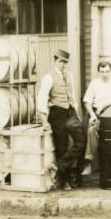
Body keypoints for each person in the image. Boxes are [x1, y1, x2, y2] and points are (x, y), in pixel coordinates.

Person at [36, 49, 86, 190]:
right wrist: (44, 120)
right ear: (55, 61)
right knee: (62, 146)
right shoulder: (49, 77)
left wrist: (76, 112)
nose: (63, 65)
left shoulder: (70, 76)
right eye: (60, 62)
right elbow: (42, 99)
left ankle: (59, 166)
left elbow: (73, 96)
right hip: (57, 112)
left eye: (65, 62)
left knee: (81, 142)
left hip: (70, 113)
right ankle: (63, 181)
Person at [82, 60, 111, 173]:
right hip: (98, 114)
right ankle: (89, 162)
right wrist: (92, 115)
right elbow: (87, 101)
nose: (105, 74)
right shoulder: (94, 83)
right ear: (98, 72)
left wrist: (105, 104)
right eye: (102, 71)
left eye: (107, 71)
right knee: (91, 130)